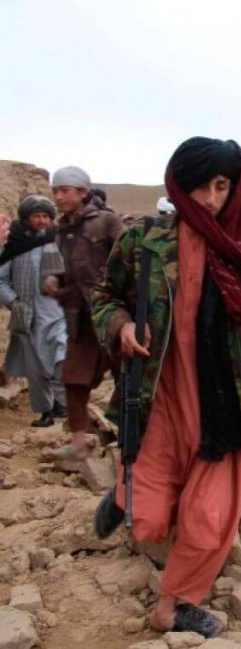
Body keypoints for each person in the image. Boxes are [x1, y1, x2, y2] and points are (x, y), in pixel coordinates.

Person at [91, 137, 241, 637]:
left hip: (223, 404)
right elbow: (104, 296)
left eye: (222, 186)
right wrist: (121, 326)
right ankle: (127, 497)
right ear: (180, 186)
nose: (212, 199)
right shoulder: (144, 242)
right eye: (201, 187)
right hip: (159, 397)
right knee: (152, 512)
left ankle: (174, 604)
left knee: (211, 513)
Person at [45, 166, 123, 457]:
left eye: (64, 190)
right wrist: (55, 280)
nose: (58, 196)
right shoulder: (60, 231)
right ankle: (79, 444)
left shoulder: (106, 222)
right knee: (74, 379)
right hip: (79, 316)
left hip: (113, 314)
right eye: (55, 191)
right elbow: (65, 269)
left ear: (83, 192)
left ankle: (134, 442)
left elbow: (129, 261)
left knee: (128, 378)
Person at [0, 196, 67, 427]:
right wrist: (13, 301)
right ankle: (46, 412)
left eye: (45, 216)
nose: (41, 220)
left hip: (58, 314)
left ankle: (63, 402)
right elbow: (1, 280)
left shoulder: (60, 241)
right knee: (35, 368)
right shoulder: (14, 246)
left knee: (61, 358)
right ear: (26, 218)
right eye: (36, 216)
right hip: (25, 316)